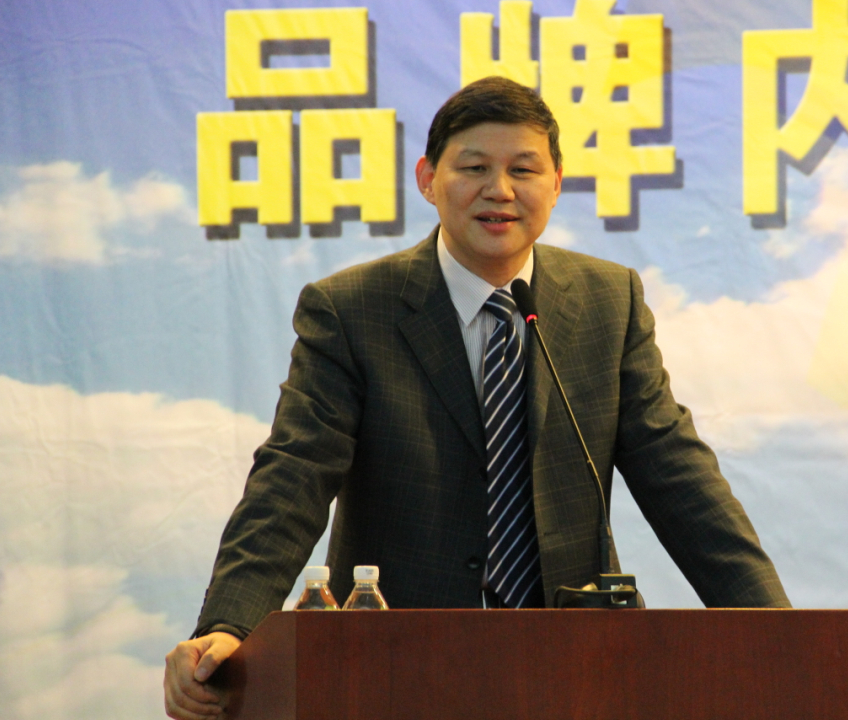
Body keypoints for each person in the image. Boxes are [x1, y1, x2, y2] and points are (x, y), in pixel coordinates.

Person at [164, 76, 789, 720]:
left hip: (576, 669)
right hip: (396, 669)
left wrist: (777, 629)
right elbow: (291, 478)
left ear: (557, 182)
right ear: (428, 179)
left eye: (524, 169)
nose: (501, 190)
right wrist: (230, 626)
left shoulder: (608, 301)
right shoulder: (352, 310)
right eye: (474, 168)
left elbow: (678, 476)